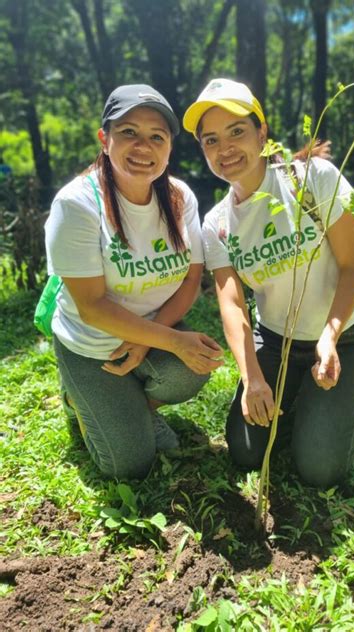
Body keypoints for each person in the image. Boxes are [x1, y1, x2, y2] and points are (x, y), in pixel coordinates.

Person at [183, 78, 354, 489]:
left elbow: (353, 267)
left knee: (319, 470)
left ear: (262, 133)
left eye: (237, 131)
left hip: (342, 336)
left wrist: (330, 336)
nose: (226, 149)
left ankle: (332, 406)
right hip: (276, 341)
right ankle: (308, 404)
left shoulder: (312, 181)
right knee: (246, 452)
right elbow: (232, 304)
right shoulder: (216, 224)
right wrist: (251, 376)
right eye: (211, 140)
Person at [45, 84, 223, 480]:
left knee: (191, 369)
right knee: (130, 465)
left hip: (150, 329)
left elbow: (192, 275)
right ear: (104, 139)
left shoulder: (179, 197)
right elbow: (91, 306)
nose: (143, 146)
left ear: (168, 149)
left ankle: (134, 409)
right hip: (92, 348)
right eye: (129, 132)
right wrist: (174, 340)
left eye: (156, 137)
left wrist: (150, 338)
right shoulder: (76, 204)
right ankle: (79, 397)